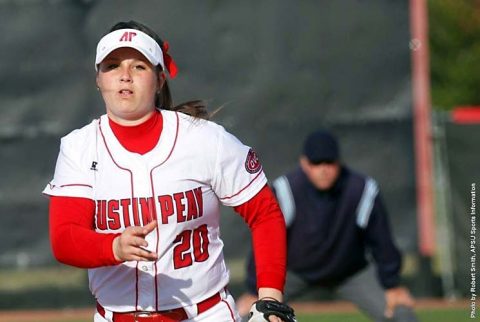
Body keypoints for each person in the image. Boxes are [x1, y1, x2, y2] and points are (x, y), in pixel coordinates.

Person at [43, 20, 293, 322]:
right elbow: (64, 238)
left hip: (203, 314)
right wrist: (113, 246)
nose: (124, 76)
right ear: (98, 79)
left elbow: (264, 212)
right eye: (111, 66)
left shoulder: (204, 139)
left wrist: (270, 298)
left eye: (139, 66)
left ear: (160, 79)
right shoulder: (80, 148)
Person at [237, 130, 419, 322]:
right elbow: (266, 239)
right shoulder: (286, 189)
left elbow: (381, 240)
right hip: (294, 272)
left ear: (339, 161)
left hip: (350, 272)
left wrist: (392, 285)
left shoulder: (361, 189)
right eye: (316, 163)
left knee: (401, 314)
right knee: (248, 316)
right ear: (304, 163)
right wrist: (253, 288)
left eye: (329, 162)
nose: (323, 169)